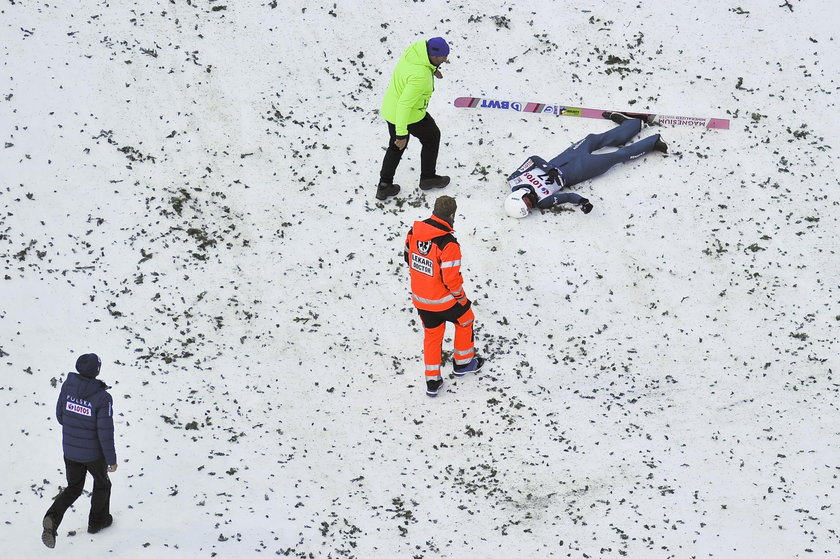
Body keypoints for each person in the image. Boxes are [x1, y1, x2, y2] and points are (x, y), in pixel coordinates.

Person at [504, 113, 669, 218]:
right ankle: (653, 142)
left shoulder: (514, 179)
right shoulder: (543, 202)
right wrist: (582, 201)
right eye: (530, 207)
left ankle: (632, 124)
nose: (531, 203)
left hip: (565, 157)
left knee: (594, 139)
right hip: (578, 171)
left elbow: (533, 159)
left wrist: (549, 169)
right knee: (615, 157)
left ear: (518, 196)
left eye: (527, 203)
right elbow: (566, 197)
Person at [404, 196, 484, 396]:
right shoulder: (448, 244)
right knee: (466, 319)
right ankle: (463, 363)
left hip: (421, 300)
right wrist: (462, 300)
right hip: (445, 301)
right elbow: (451, 279)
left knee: (432, 336)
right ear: (452, 215)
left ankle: (432, 381)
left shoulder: (414, 232)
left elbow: (407, 256)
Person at [42, 353, 117, 549]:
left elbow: (60, 416)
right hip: (93, 454)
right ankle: (97, 522)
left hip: (70, 451)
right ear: (97, 371)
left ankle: (52, 518)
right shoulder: (103, 397)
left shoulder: (68, 386)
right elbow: (105, 432)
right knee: (102, 483)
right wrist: (111, 459)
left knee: (73, 488)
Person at [376, 37, 452, 201]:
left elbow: (417, 68)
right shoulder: (420, 77)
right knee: (432, 137)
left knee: (395, 147)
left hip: (391, 109)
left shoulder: (414, 52)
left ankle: (384, 186)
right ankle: (428, 178)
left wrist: (432, 69)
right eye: (442, 57)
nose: (445, 59)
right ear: (432, 55)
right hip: (408, 114)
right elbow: (404, 105)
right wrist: (401, 134)